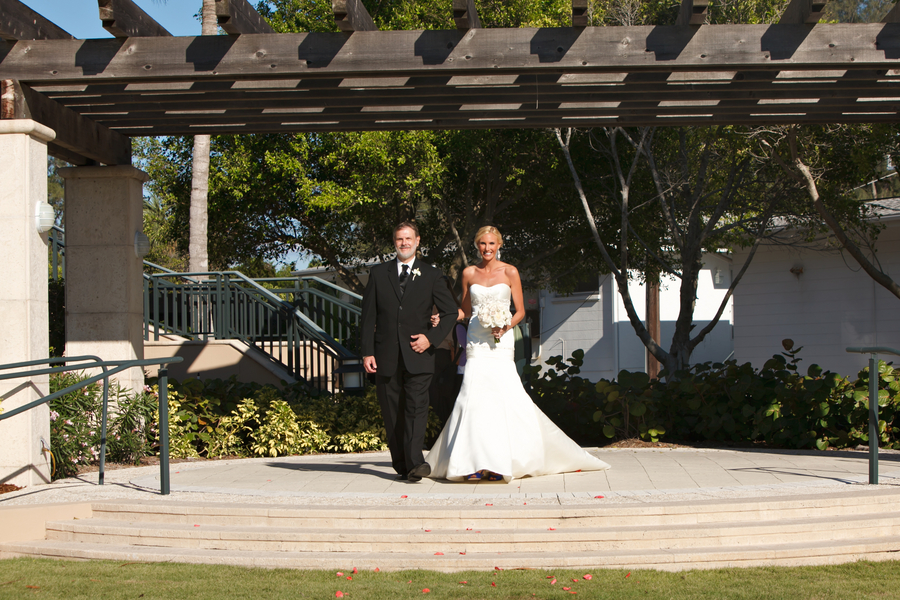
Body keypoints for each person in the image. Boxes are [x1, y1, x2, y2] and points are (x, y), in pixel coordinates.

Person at [425, 226, 611, 482]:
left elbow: (520, 311)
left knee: (503, 395)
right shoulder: (469, 273)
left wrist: (505, 326)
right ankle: (473, 462)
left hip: (501, 341)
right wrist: (444, 316)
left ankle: (502, 461)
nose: (487, 248)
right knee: (473, 395)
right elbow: (465, 310)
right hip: (477, 341)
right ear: (476, 245)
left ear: (499, 244)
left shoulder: (510, 271)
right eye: (482, 244)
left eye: (491, 243)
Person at [361, 222, 458, 482]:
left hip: (419, 354)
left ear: (418, 241)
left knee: (417, 407)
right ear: (394, 242)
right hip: (385, 355)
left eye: (408, 238)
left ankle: (416, 462)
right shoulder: (379, 274)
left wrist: (432, 339)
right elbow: (368, 316)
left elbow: (450, 312)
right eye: (399, 239)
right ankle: (402, 464)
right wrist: (367, 352)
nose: (404, 243)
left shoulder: (433, 275)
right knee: (392, 411)